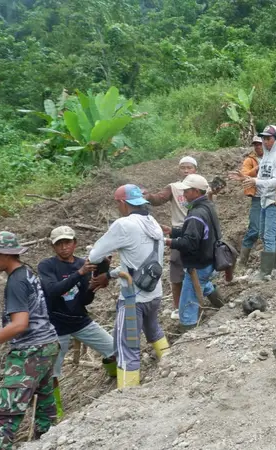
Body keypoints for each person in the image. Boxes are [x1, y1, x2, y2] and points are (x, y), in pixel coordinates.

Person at [0, 232, 59, 448]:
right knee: (45, 400)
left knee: (7, 410)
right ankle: (50, 440)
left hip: (30, 351)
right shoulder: (26, 273)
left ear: (4, 255)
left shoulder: (16, 282)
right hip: (47, 344)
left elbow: (19, 324)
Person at [88, 185, 167, 388]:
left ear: (123, 203)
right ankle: (171, 366)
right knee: (153, 330)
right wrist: (113, 273)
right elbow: (137, 260)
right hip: (155, 293)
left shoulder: (124, 225)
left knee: (127, 347)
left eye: (117, 203)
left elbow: (95, 255)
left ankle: (127, 394)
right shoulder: (152, 222)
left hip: (134, 299)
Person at [38, 226, 116, 421]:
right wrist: (80, 273)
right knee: (52, 373)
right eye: (59, 244)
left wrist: (94, 283)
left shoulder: (84, 264)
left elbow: (84, 300)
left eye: (67, 242)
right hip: (55, 325)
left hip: (80, 320)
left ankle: (115, 385)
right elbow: (53, 290)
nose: (64, 247)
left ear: (75, 243)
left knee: (115, 350)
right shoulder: (47, 266)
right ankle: (55, 412)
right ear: (53, 246)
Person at [143, 156, 198, 320]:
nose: (186, 170)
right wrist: (148, 196)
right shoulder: (173, 187)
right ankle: (177, 306)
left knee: (199, 267)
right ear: (179, 170)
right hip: (178, 230)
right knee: (176, 268)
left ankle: (199, 300)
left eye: (190, 167)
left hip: (197, 229)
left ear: (195, 169)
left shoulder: (201, 185)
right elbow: (159, 199)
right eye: (183, 168)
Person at [163, 175, 221, 328]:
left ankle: (187, 338)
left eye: (186, 191)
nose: (183, 194)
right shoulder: (206, 205)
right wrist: (173, 231)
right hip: (209, 259)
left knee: (186, 309)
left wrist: (168, 242)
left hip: (198, 265)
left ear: (196, 191)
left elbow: (189, 243)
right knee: (204, 284)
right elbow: (195, 232)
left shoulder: (196, 214)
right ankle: (221, 305)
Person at [231, 125, 276, 277]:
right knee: (263, 234)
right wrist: (247, 178)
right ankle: (275, 268)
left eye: (269, 138)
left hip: (274, 200)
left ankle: (265, 273)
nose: (265, 142)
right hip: (263, 199)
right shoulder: (266, 159)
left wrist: (256, 182)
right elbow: (261, 177)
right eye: (264, 138)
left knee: (268, 236)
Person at [236, 137, 263, 267]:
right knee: (254, 230)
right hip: (257, 198)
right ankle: (242, 262)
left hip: (273, 197)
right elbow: (243, 176)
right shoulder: (250, 160)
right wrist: (257, 169)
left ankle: (271, 265)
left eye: (260, 144)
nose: (258, 147)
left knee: (272, 232)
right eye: (255, 145)